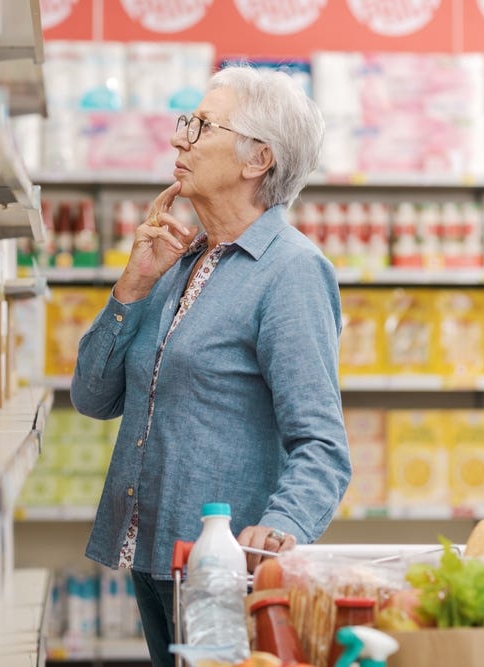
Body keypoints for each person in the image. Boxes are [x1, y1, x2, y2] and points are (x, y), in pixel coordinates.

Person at [70, 65, 351, 667]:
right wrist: (133, 284)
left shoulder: (291, 272)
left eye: (200, 126)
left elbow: (322, 445)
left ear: (257, 160)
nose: (178, 138)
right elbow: (93, 397)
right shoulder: (181, 259)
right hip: (150, 553)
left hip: (223, 571)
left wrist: (277, 531)